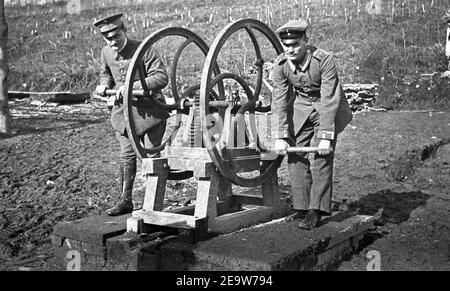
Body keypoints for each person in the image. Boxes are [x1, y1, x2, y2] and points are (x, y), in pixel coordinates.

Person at [271, 20, 353, 230]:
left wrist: (326, 135)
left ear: (306, 41)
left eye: (296, 44)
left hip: (329, 109)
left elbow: (329, 98)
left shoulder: (323, 60)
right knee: (295, 156)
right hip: (302, 109)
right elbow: (279, 100)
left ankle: (315, 210)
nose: (291, 49)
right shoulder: (280, 66)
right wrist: (280, 135)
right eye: (287, 45)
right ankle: (301, 207)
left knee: (321, 157)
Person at [94, 13, 169, 216]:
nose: (112, 41)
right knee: (126, 156)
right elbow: (106, 73)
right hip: (124, 114)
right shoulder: (106, 52)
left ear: (123, 30)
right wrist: (104, 85)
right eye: (107, 38)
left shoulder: (143, 48)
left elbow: (161, 77)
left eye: (116, 36)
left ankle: (155, 204)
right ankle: (125, 201)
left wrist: (130, 86)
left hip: (151, 112)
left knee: (152, 156)